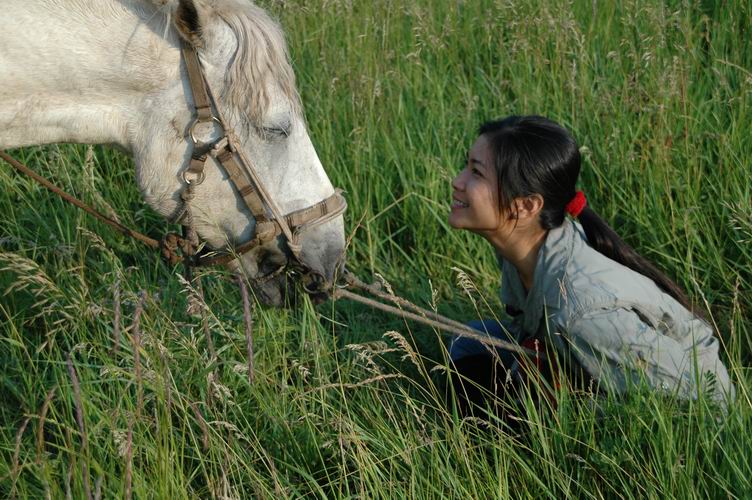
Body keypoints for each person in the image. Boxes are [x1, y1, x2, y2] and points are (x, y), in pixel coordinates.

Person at [446, 115, 734, 415]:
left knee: (530, 407)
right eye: (466, 166)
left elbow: (706, 397)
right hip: (576, 348)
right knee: (469, 344)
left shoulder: (581, 313)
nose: (457, 181)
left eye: (476, 173)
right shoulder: (523, 244)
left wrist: (570, 406)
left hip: (699, 396)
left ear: (528, 205)